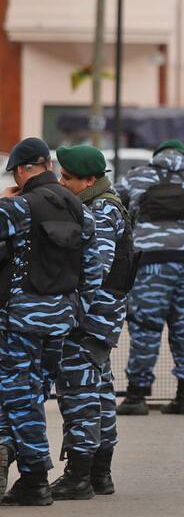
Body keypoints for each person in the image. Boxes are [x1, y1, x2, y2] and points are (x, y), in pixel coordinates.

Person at [0, 138, 103, 506]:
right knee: (32, 393)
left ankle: (34, 477)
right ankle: (26, 469)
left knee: (18, 397)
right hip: (60, 322)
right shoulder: (79, 209)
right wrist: (75, 311)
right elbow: (93, 270)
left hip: (19, 321)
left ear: (24, 169)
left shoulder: (20, 207)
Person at [47, 145, 134, 499]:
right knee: (98, 392)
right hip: (102, 318)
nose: (62, 182)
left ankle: (79, 475)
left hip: (90, 319)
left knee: (79, 393)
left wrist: (71, 316)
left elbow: (93, 272)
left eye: (68, 178)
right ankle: (101, 473)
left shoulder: (99, 212)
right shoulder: (104, 206)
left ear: (90, 180)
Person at [115, 139, 184, 416]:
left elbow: (117, 209)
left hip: (150, 261)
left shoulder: (135, 177)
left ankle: (136, 397)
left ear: (156, 156)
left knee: (145, 325)